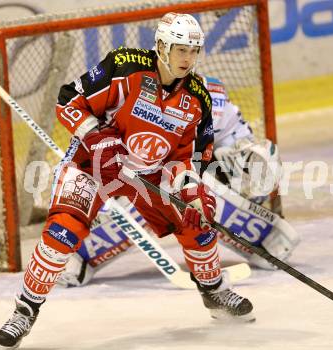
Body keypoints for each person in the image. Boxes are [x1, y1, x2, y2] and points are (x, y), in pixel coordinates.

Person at [0, 13, 254, 349]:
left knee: (198, 220)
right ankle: (25, 310)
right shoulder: (124, 67)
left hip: (149, 173)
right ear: (161, 46)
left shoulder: (197, 98)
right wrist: (98, 134)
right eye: (180, 49)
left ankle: (214, 291)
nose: (187, 58)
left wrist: (190, 194)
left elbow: (190, 157)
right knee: (63, 231)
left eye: (193, 51)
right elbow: (68, 100)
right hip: (94, 163)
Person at [58, 74, 292, 287]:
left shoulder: (213, 101)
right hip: (129, 179)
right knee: (156, 191)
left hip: (187, 181)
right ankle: (82, 252)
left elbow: (246, 159)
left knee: (191, 193)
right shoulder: (135, 95)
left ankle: (262, 234)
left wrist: (241, 173)